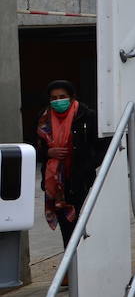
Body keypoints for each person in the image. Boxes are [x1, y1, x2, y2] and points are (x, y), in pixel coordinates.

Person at [34, 80, 105, 247]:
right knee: (67, 230)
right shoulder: (43, 118)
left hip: (81, 181)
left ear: (72, 98)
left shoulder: (87, 116)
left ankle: (83, 266)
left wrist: (87, 164)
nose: (58, 101)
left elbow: (102, 147)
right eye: (54, 98)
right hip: (56, 184)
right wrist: (48, 152)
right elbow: (34, 147)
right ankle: (72, 268)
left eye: (62, 97)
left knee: (84, 226)